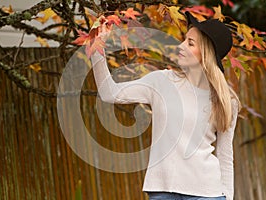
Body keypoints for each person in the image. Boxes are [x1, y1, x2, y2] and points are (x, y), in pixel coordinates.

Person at [90, 11, 241, 200]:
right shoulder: (162, 81)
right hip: (163, 192)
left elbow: (225, 156)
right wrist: (97, 47)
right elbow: (109, 92)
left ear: (205, 55)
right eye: (184, 40)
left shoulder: (225, 100)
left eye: (190, 43)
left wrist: (228, 196)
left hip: (207, 194)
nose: (181, 46)